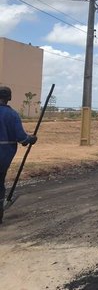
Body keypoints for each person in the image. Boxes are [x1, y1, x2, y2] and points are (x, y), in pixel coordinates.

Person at [0, 86, 37, 224]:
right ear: (9, 98)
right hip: (3, 156)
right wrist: (31, 139)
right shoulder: (12, 115)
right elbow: (22, 138)